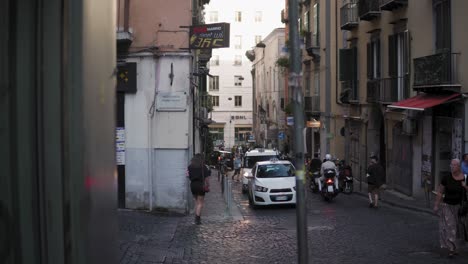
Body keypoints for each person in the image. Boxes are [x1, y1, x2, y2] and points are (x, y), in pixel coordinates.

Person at [434, 159, 468, 257]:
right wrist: (436, 205)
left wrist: (465, 187)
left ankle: (455, 247)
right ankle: (451, 248)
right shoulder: (446, 178)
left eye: (454, 165)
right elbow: (440, 192)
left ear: (459, 166)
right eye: (451, 165)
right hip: (447, 206)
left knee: (458, 229)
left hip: (460, 207)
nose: (452, 167)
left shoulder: (465, 178)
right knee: (450, 227)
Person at [187, 154, 211, 225]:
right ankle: (197, 219)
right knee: (200, 203)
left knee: (197, 202)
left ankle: (197, 217)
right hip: (201, 185)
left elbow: (188, 176)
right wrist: (208, 184)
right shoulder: (203, 167)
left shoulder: (190, 167)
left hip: (193, 185)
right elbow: (206, 178)